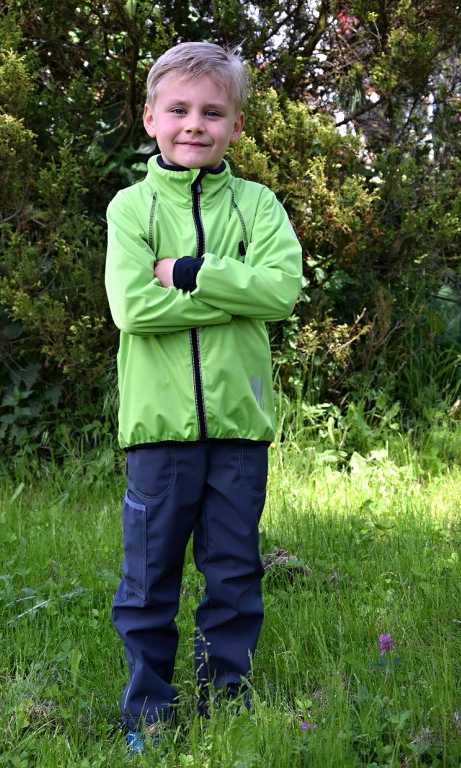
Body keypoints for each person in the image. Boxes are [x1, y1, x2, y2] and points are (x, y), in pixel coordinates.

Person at [103, 41, 303, 753]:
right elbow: (132, 308)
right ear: (150, 118)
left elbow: (281, 292)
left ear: (236, 125)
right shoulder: (131, 208)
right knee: (148, 580)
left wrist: (189, 271)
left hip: (239, 429)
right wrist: (234, 295)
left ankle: (227, 701)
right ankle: (149, 714)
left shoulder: (258, 206)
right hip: (158, 431)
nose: (195, 124)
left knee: (234, 574)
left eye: (213, 112)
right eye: (179, 110)